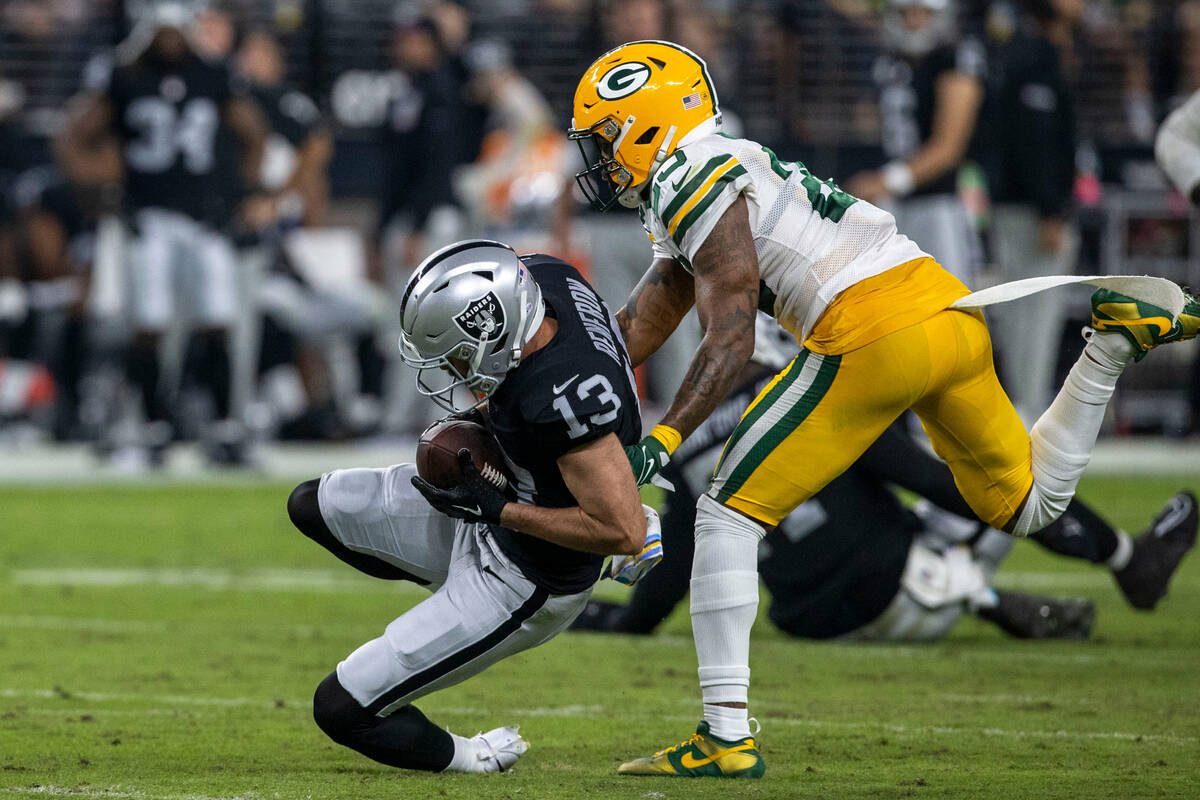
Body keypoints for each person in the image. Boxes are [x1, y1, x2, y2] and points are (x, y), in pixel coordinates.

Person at [567, 39, 1200, 778]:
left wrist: (667, 434)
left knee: (725, 514)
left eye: (608, 135)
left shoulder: (684, 174)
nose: (602, 157)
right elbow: (656, 304)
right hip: (947, 310)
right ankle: (1110, 348)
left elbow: (733, 327)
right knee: (1026, 503)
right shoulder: (721, 161)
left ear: (648, 121)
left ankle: (724, 736)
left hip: (867, 329)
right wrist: (566, 372)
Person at [571, 319, 1198, 641]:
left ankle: (980, 593)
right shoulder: (811, 397)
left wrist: (580, 614)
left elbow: (660, 597)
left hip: (811, 623)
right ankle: (1122, 559)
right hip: (905, 593)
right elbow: (938, 484)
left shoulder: (681, 445)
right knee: (999, 472)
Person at [285, 239, 661, 773]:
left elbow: (620, 532)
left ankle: (474, 756)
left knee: (342, 707)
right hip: (490, 510)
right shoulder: (546, 279)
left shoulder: (561, 394)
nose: (456, 371)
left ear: (495, 327)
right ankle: (449, 604)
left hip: (526, 578)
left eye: (459, 353)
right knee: (311, 504)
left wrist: (501, 510)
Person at [54, 2, 267, 466]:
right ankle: (154, 427)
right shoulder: (125, 75)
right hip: (148, 216)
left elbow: (254, 133)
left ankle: (225, 428)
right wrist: (100, 190)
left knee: (218, 318)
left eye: (175, 31)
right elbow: (72, 136)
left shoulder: (213, 74)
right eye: (161, 32)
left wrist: (247, 193)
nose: (168, 41)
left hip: (205, 217)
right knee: (148, 324)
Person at [976, 0, 1079, 419]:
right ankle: (1027, 413)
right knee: (1032, 317)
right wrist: (1050, 209)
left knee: (1024, 313)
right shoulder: (1035, 54)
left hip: (1016, 205)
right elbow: (1035, 138)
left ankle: (1025, 408)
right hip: (1031, 211)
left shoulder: (1017, 50)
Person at [845, 0, 986, 288]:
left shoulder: (955, 59)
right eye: (906, 12)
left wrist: (888, 180)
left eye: (923, 12)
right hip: (894, 204)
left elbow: (948, 147)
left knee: (949, 297)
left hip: (940, 203)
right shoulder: (891, 60)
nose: (914, 21)